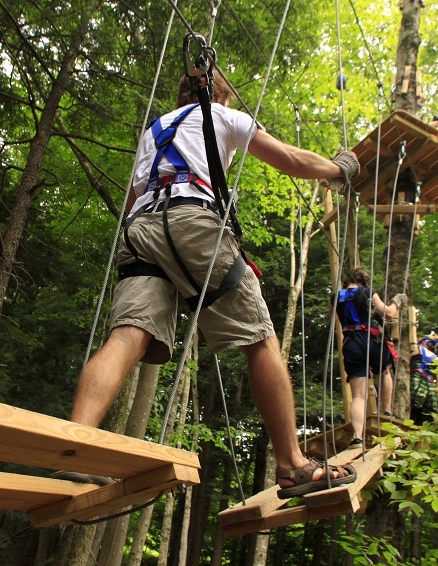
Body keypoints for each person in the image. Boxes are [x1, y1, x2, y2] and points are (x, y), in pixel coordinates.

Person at [55, 72, 361, 498]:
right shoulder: (222, 114)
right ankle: (292, 465)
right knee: (261, 340)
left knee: (126, 337)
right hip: (192, 219)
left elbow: (132, 197)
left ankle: (73, 448)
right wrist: (338, 168)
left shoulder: (155, 129)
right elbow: (291, 159)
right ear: (223, 93)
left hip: (140, 228)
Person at [332, 267, 407, 448]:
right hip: (371, 338)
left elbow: (336, 318)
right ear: (363, 281)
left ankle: (357, 437)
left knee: (358, 395)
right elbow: (388, 313)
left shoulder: (336, 297)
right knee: (384, 371)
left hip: (351, 342)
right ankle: (387, 411)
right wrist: (397, 302)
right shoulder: (367, 292)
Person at [410, 333, 438, 425]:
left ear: (423, 342)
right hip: (430, 398)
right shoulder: (437, 360)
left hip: (414, 390)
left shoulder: (415, 349)